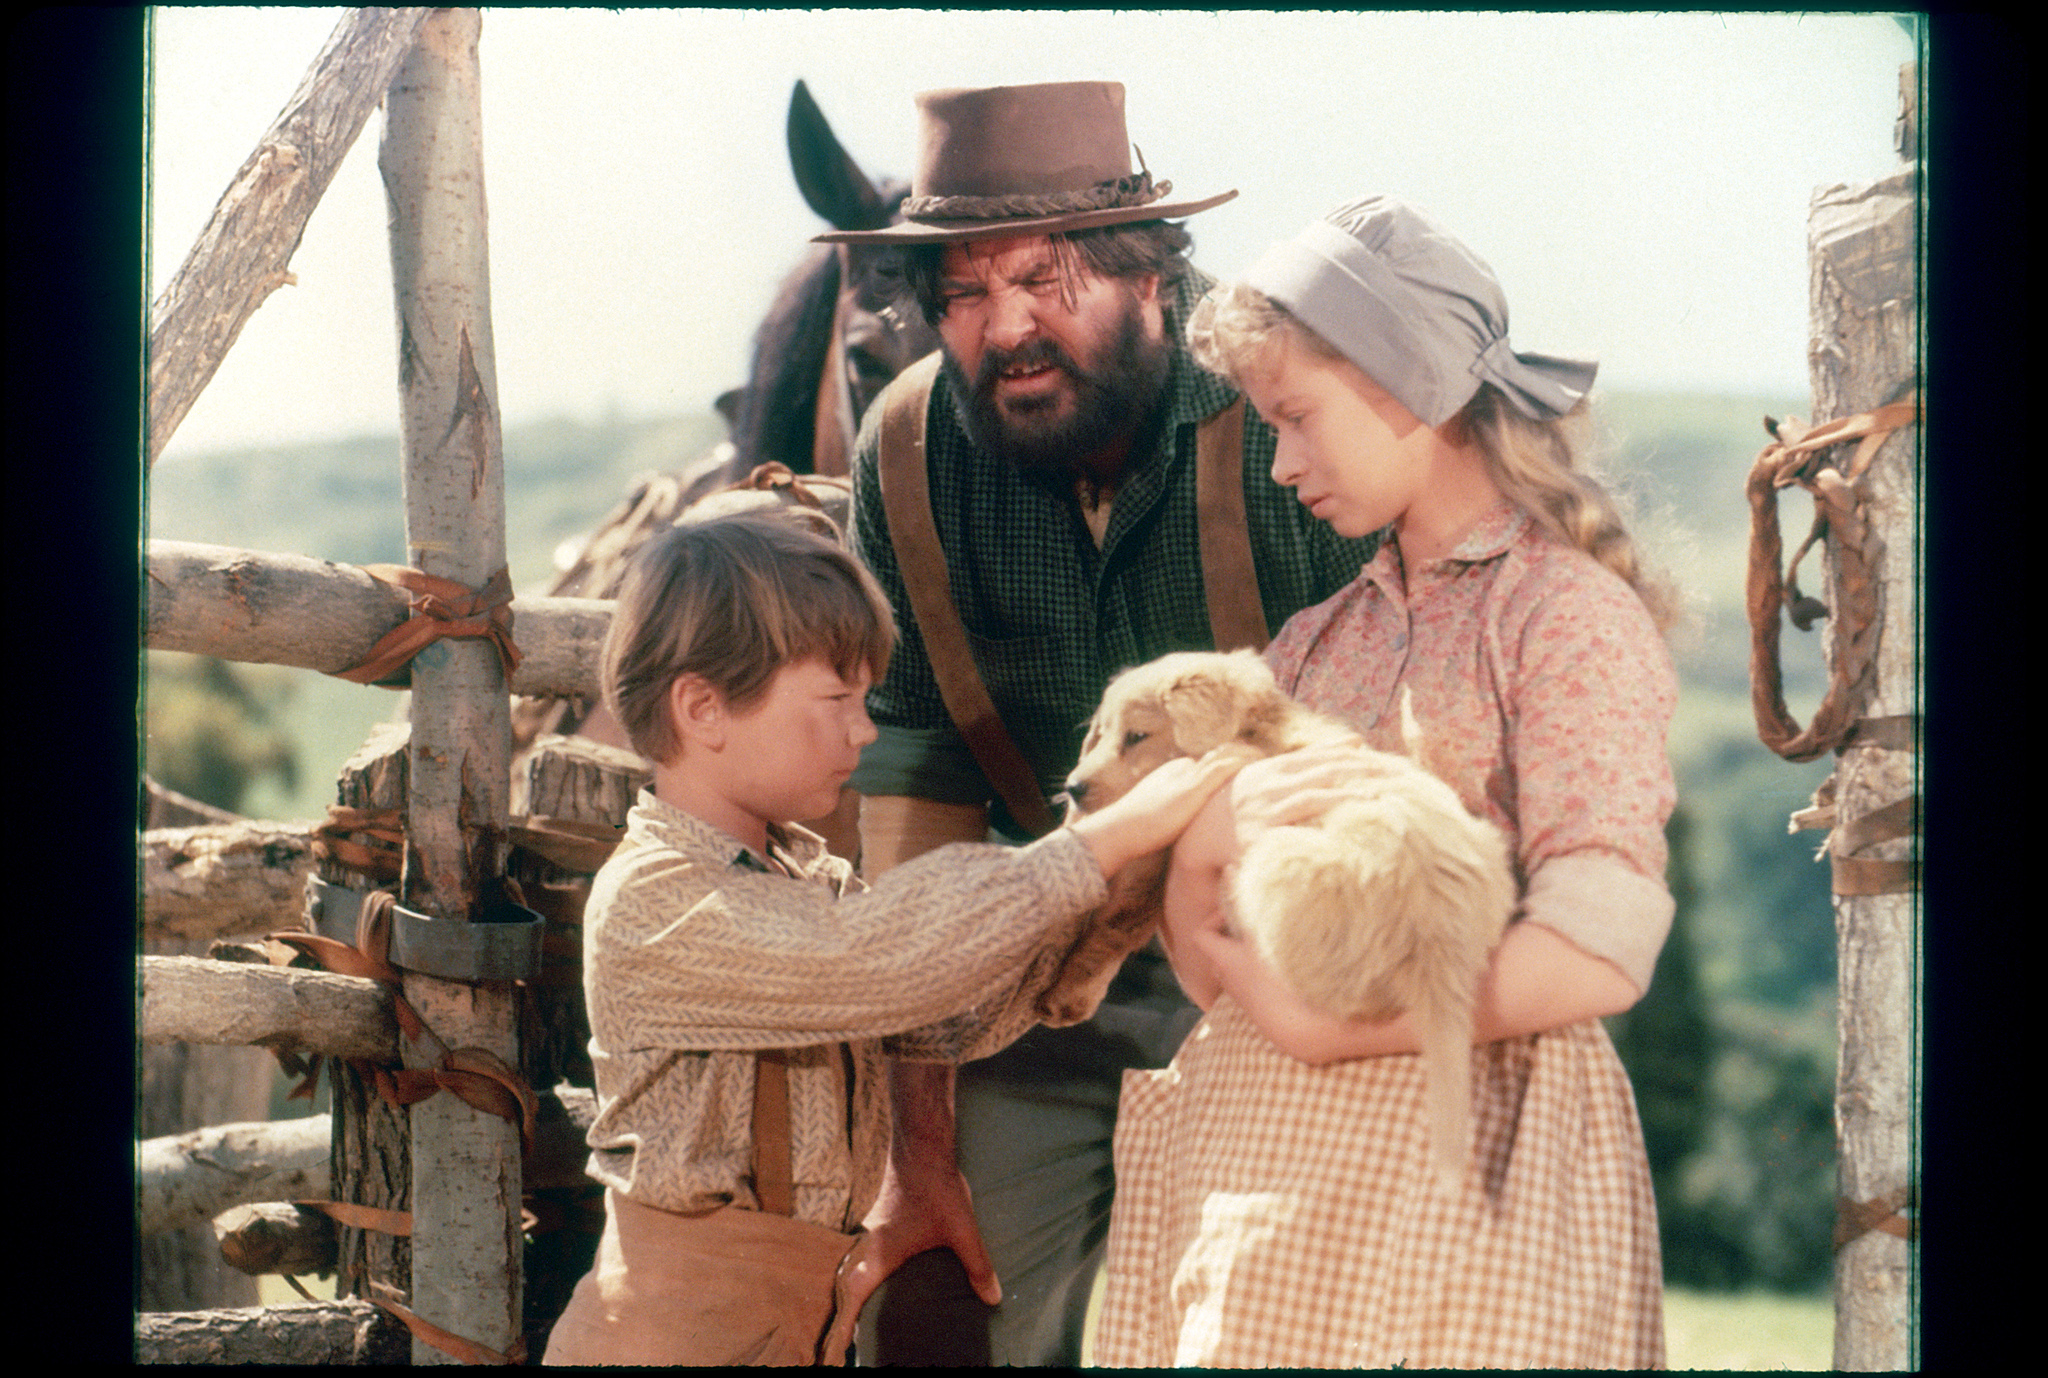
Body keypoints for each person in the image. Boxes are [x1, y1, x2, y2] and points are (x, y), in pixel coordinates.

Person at [812, 82, 1380, 1365]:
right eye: (961, 291)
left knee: (1269, 1334)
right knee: (939, 1323)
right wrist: (917, 1145)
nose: (1005, 325)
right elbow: (913, 787)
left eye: (1047, 276)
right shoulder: (906, 455)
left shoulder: (1286, 427)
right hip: (1020, 994)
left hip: (1277, 977)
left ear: (1150, 281)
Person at [1091, 195, 1679, 1368]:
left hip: (1480, 1175)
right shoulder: (1310, 647)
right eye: (1265, 425)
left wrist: (1322, 1022)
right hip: (1277, 1189)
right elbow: (1195, 915)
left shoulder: (1559, 616)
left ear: (1412, 387)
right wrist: (1219, 899)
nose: (1280, 462)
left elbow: (1598, 944)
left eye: (1296, 417)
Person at [539, 514, 1245, 1366]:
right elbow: (876, 959)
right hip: (675, 1338)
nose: (865, 731)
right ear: (704, 708)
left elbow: (941, 1015)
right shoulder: (659, 901)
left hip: (792, 1334)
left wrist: (1105, 914)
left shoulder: (802, 877)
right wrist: (1098, 843)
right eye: (837, 702)